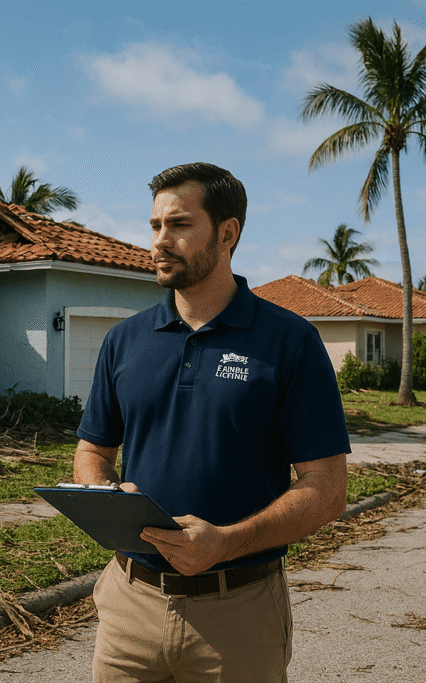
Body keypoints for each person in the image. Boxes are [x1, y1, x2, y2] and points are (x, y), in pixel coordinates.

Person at [73, 162, 350, 682]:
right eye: (155, 226)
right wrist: (106, 498)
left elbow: (327, 489)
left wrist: (225, 542)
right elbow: (93, 450)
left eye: (179, 225)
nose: (159, 241)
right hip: (129, 606)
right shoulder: (125, 341)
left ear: (228, 233)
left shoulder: (289, 342)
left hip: (238, 614)